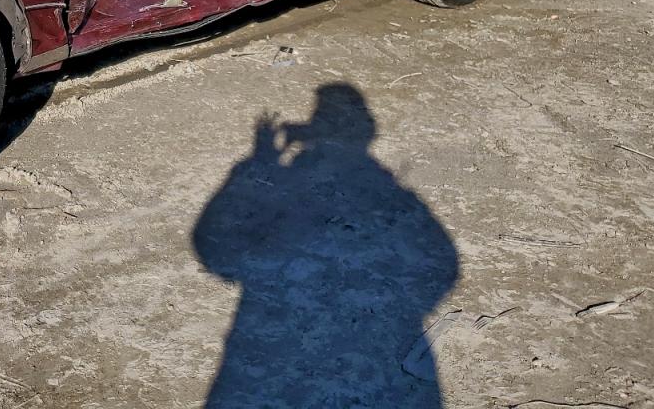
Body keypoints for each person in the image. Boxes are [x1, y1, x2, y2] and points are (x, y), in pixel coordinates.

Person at [192, 82, 459, 408]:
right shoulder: (392, 194)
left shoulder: (380, 191)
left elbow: (211, 244)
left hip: (276, 348)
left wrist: (256, 164)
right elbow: (443, 263)